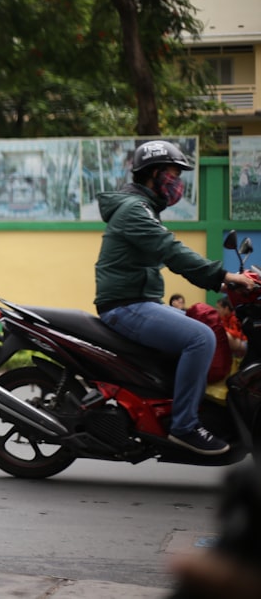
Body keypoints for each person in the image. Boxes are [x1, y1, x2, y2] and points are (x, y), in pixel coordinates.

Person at [94, 140, 256, 455]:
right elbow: (172, 251)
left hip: (139, 302)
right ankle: (184, 426)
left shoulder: (142, 209)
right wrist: (223, 277)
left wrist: (224, 286)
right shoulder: (133, 211)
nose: (177, 183)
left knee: (211, 330)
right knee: (201, 338)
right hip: (125, 306)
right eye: (173, 173)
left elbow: (171, 255)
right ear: (154, 173)